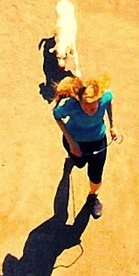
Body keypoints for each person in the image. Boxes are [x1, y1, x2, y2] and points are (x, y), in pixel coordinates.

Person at [52, 75, 116, 219]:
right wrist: (71, 142)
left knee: (96, 176)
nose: (88, 112)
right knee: (79, 164)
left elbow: (110, 101)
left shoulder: (105, 97)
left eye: (93, 108)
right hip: (75, 143)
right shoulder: (70, 106)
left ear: (99, 100)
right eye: (84, 108)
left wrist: (113, 126)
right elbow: (56, 116)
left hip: (98, 142)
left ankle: (92, 196)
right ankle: (70, 163)